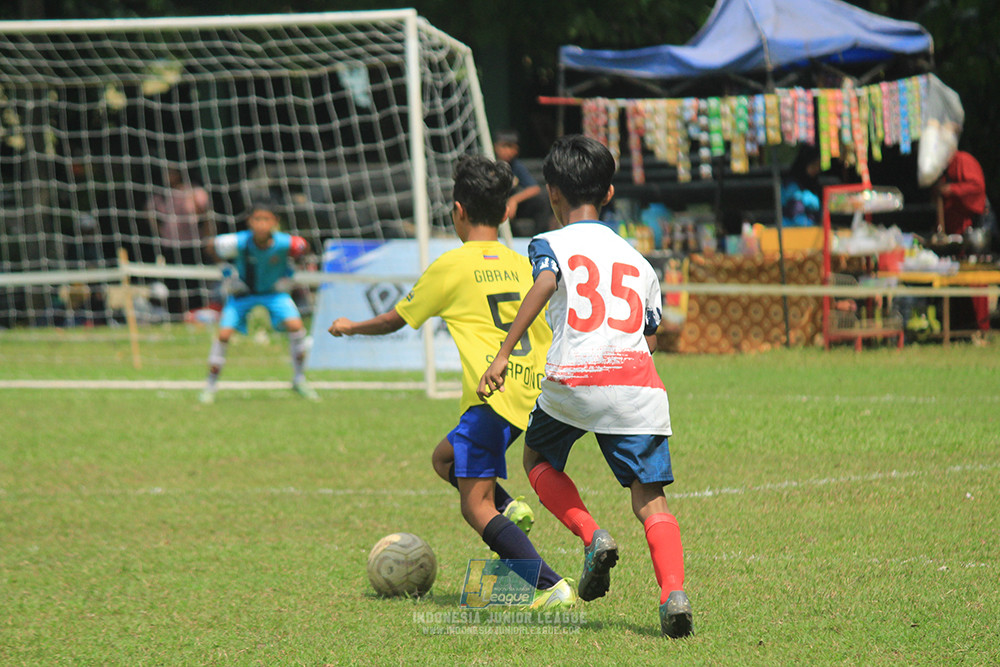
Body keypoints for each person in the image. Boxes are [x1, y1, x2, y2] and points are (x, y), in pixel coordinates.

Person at [328, 154, 575, 609]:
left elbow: (393, 320)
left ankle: (548, 586)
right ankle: (510, 508)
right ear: (506, 212)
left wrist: (349, 326)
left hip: (492, 397)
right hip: (532, 394)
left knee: (473, 505)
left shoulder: (451, 266)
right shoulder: (525, 264)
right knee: (445, 459)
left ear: (457, 211)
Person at [477, 135, 693, 638]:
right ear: (610, 192)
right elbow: (652, 335)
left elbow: (547, 282)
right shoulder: (639, 261)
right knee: (650, 499)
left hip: (573, 379)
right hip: (636, 385)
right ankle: (673, 594)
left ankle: (592, 535)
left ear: (552, 193)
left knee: (537, 462)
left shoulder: (550, 243)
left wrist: (505, 353)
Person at [199, 199, 318, 404]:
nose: (261, 224)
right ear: (249, 221)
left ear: (275, 222)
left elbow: (303, 248)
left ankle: (299, 379)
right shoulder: (239, 242)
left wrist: (290, 271)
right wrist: (227, 270)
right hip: (243, 293)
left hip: (273, 293)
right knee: (224, 334)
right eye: (257, 219)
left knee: (296, 326)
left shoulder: (284, 242)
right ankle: (210, 385)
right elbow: (211, 246)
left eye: (266, 219)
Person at [933, 150, 990, 333]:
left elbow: (976, 188)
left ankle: (979, 327)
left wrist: (952, 190)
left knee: (976, 280)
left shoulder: (963, 161)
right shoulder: (941, 170)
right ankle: (957, 328)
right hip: (953, 235)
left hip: (972, 232)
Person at [147, 167, 214, 316]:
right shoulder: (161, 195)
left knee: (195, 281)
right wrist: (161, 233)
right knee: (173, 282)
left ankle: (197, 313)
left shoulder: (195, 192)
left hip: (193, 244)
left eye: (172, 172)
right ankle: (176, 315)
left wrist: (207, 237)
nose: (169, 176)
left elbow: (208, 216)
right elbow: (150, 214)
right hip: (170, 245)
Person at [494, 130, 553, 237]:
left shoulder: (516, 166)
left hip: (513, 206)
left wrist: (514, 200)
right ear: (496, 147)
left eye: (511, 147)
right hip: (494, 204)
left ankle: (540, 238)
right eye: (504, 146)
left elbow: (534, 188)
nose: (508, 151)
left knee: (542, 201)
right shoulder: (490, 165)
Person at [781, 145, 822, 227]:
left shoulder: (812, 182)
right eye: (814, 165)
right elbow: (796, 215)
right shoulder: (791, 185)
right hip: (792, 231)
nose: (817, 169)